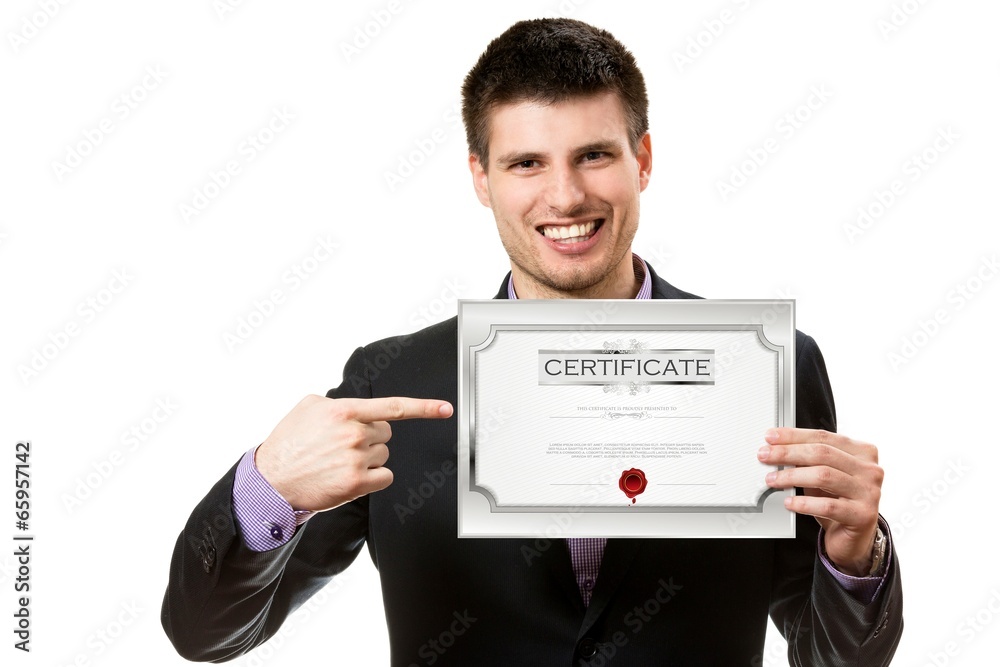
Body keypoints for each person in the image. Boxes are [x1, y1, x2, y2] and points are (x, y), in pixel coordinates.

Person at [162, 18, 902, 665]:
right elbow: (205, 632)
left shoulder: (769, 369)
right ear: (481, 178)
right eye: (526, 163)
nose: (566, 196)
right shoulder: (391, 385)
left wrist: (854, 553)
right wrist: (267, 485)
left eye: (595, 155)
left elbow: (832, 657)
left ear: (642, 160)